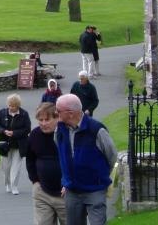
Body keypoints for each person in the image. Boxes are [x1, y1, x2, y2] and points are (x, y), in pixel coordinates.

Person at [54, 94, 117, 225]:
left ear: (70, 113)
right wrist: (66, 180)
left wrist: (100, 175)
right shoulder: (60, 130)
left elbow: (111, 156)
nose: (56, 113)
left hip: (95, 189)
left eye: (58, 110)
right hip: (72, 191)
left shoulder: (97, 130)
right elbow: (62, 157)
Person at [26, 102, 67, 225]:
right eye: (40, 120)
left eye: (47, 119)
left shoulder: (66, 134)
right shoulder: (34, 135)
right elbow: (30, 159)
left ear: (57, 118)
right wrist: (35, 181)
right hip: (42, 192)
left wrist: (70, 183)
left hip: (66, 194)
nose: (43, 123)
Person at [0, 93, 31, 195]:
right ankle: (7, 184)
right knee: (6, 167)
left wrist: (14, 133)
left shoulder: (24, 114)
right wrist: (3, 131)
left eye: (13, 106)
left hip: (19, 145)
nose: (11, 107)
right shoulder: (2, 113)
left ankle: (14, 186)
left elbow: (27, 129)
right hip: (5, 144)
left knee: (16, 166)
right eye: (9, 105)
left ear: (18, 105)